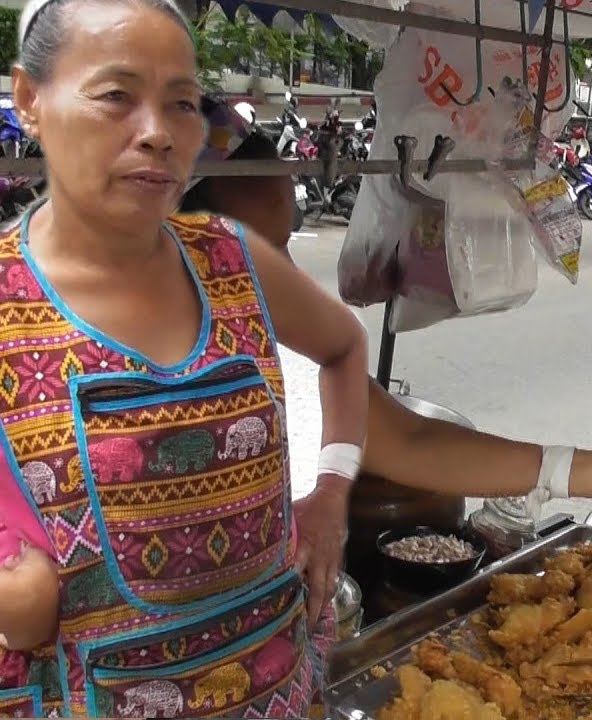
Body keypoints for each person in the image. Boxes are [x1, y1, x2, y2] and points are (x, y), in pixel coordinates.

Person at [0, 0, 374, 715]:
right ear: (30, 100)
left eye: (179, 104)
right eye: (116, 96)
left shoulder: (234, 266)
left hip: (277, 683)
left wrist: (331, 490)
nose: (156, 134)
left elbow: (344, 345)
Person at [183, 96, 592, 520]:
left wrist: (588, 471)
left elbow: (408, 439)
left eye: (285, 244)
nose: (288, 275)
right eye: (254, 254)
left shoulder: (289, 352)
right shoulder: (114, 379)